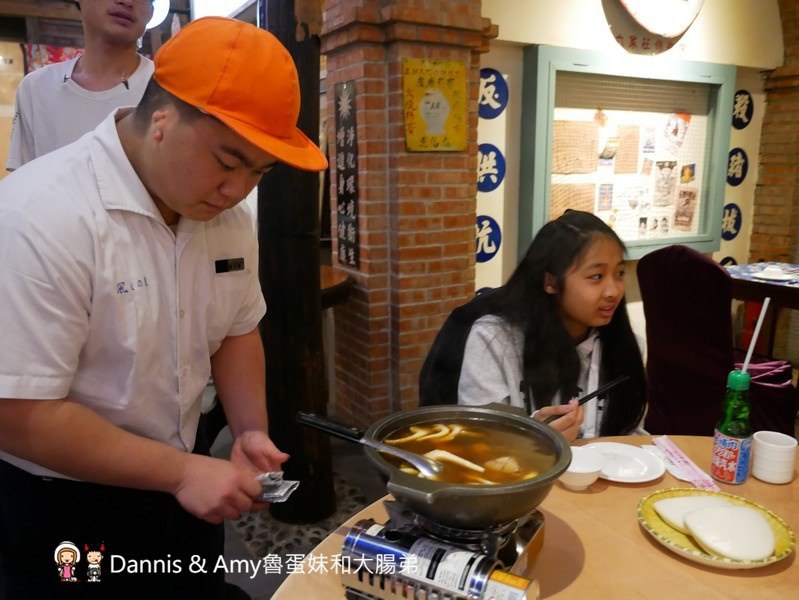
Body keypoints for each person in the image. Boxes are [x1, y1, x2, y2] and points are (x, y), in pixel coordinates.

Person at [0, 16, 327, 599]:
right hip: (66, 502)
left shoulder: (228, 218)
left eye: (259, 171)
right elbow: (17, 411)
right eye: (228, 162)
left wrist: (250, 429)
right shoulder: (39, 216)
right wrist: (181, 472)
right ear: (162, 120)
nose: (238, 190)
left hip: (184, 477)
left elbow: (237, 330)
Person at [457, 210, 647, 442]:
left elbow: (632, 434)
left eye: (619, 273)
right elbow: (478, 439)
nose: (614, 291)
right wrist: (532, 438)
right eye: (596, 276)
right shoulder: (494, 340)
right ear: (551, 282)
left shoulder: (627, 347)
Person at [6, 0, 155, 170]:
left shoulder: (167, 88)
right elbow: (25, 180)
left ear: (152, 11)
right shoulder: (37, 88)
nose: (127, 1)